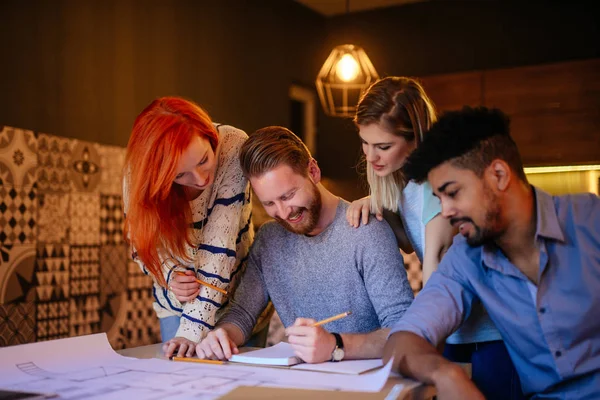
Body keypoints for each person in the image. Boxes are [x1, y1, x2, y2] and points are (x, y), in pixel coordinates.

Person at [384, 106, 600, 399]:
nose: (445, 212)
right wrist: (444, 373)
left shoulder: (590, 220)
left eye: (453, 192)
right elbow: (403, 340)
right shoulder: (465, 257)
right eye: (439, 198)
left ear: (498, 174)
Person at [348, 76, 518, 399]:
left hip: (490, 337)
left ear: (416, 138)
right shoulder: (406, 186)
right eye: (364, 143)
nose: (371, 157)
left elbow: (435, 271)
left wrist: (414, 351)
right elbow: (411, 244)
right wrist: (378, 207)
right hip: (456, 335)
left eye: (383, 146)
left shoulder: (435, 187)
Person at [187, 126, 414, 362]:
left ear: (313, 171)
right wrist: (222, 335)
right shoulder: (269, 240)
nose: (284, 213)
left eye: (288, 195)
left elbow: (405, 331)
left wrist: (336, 346)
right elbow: (242, 313)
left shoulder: (366, 230)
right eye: (270, 203)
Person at [122, 96, 270, 358]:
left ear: (207, 135)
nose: (201, 179)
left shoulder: (232, 146)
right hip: (175, 307)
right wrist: (169, 274)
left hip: (238, 304)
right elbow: (140, 241)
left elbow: (219, 250)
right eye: (180, 176)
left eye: (203, 159)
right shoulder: (139, 170)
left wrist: (192, 331)